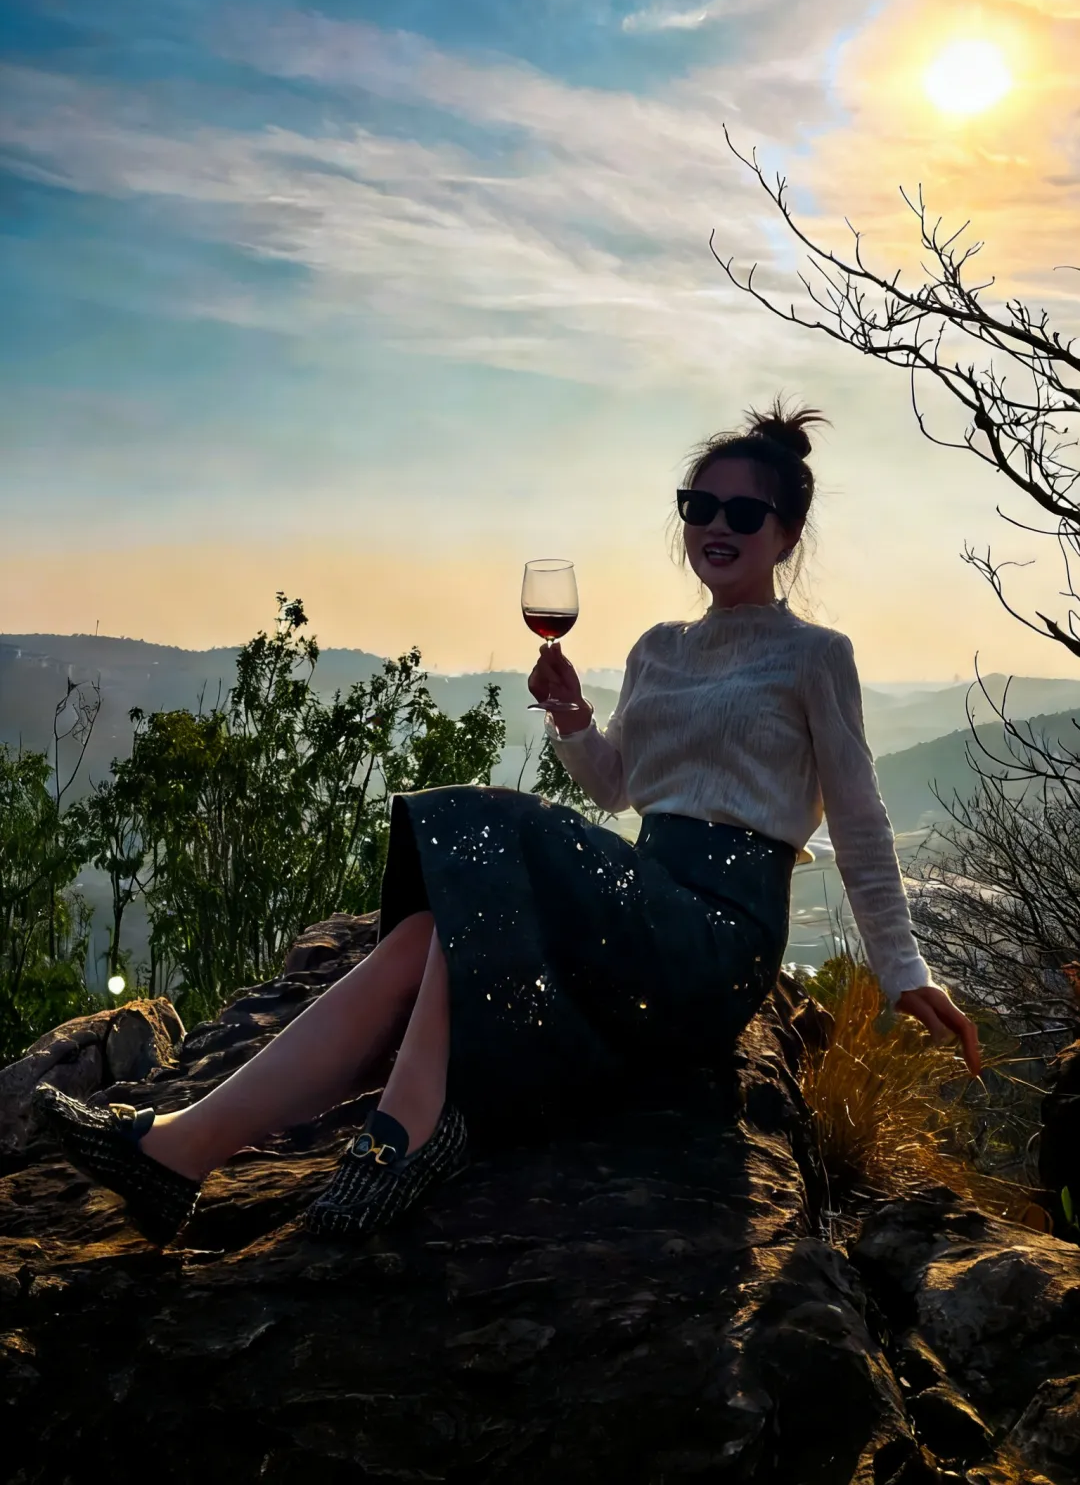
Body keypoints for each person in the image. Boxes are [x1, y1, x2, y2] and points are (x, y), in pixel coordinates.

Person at [32, 397, 981, 1248]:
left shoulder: (815, 655)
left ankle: (414, 1125)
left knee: (490, 830)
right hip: (643, 898)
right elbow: (616, 789)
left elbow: (860, 817)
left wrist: (903, 970)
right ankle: (178, 1150)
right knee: (425, 937)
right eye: (699, 506)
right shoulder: (658, 650)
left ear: (787, 532)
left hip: (714, 939)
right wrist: (572, 720)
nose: (716, 527)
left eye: (743, 512)